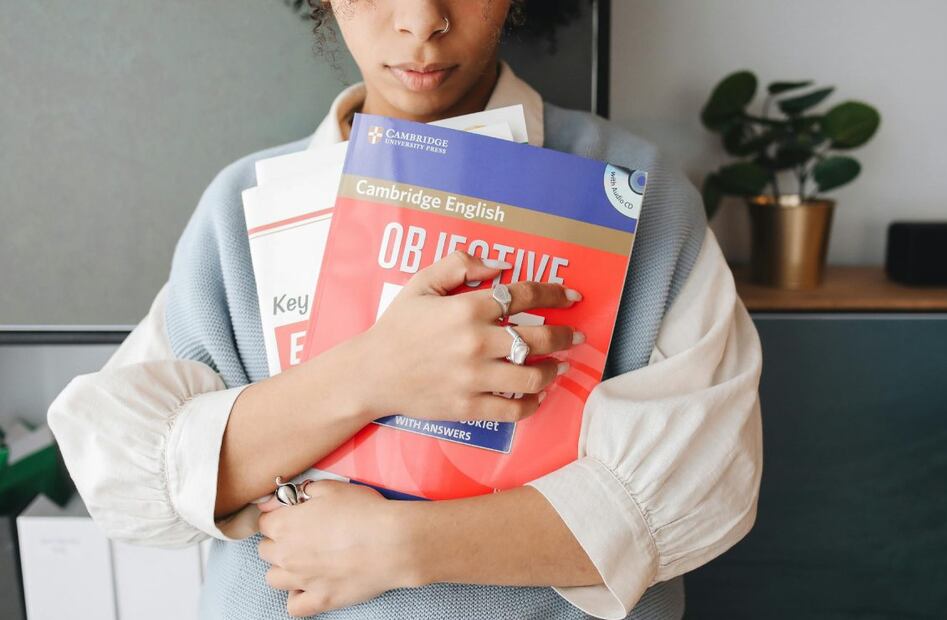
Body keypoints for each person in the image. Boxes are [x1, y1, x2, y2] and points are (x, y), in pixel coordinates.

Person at [48, 1, 763, 618]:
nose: (422, 21)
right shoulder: (246, 204)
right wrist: (374, 375)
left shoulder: (638, 192)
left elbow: (700, 486)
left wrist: (401, 546)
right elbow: (128, 468)